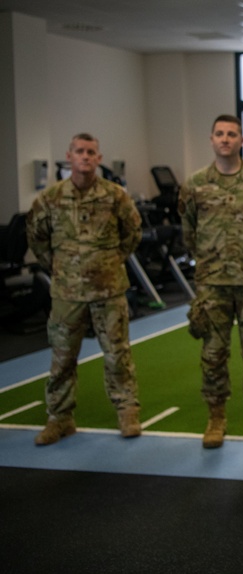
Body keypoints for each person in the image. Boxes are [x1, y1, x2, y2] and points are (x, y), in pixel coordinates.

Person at [26, 133, 143, 445]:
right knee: (62, 358)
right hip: (68, 294)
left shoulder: (115, 196)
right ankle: (60, 418)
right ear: (70, 156)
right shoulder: (50, 198)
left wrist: (112, 260)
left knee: (118, 354)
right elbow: (37, 239)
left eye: (91, 152)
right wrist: (60, 267)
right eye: (80, 151)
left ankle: (127, 411)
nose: (86, 157)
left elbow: (132, 233)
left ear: (99, 158)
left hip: (109, 291)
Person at [179, 114, 243, 449]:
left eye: (232, 134)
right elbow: (189, 233)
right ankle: (216, 418)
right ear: (211, 139)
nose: (225, 139)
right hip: (212, 283)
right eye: (220, 134)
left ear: (242, 140)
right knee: (212, 353)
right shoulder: (193, 185)